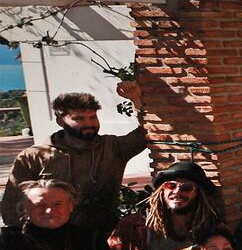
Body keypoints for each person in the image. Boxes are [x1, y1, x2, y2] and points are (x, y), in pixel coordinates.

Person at [4, 83, 148, 236]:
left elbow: (147, 132)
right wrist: (24, 241)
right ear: (61, 121)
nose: (89, 124)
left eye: (92, 117)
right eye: (79, 118)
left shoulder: (113, 147)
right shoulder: (33, 156)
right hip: (52, 240)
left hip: (103, 237)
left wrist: (136, 100)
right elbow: (12, 205)